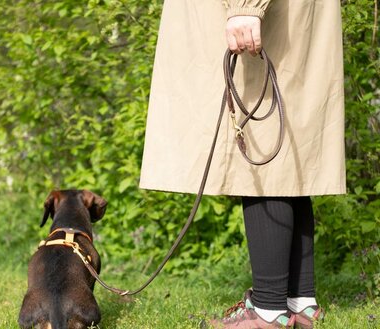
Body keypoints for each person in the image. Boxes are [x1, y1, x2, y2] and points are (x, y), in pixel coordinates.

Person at [140, 0, 345, 328]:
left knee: (264, 151)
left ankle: (268, 310)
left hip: (259, 14)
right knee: (290, 150)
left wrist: (246, 7)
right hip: (293, 13)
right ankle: (300, 301)